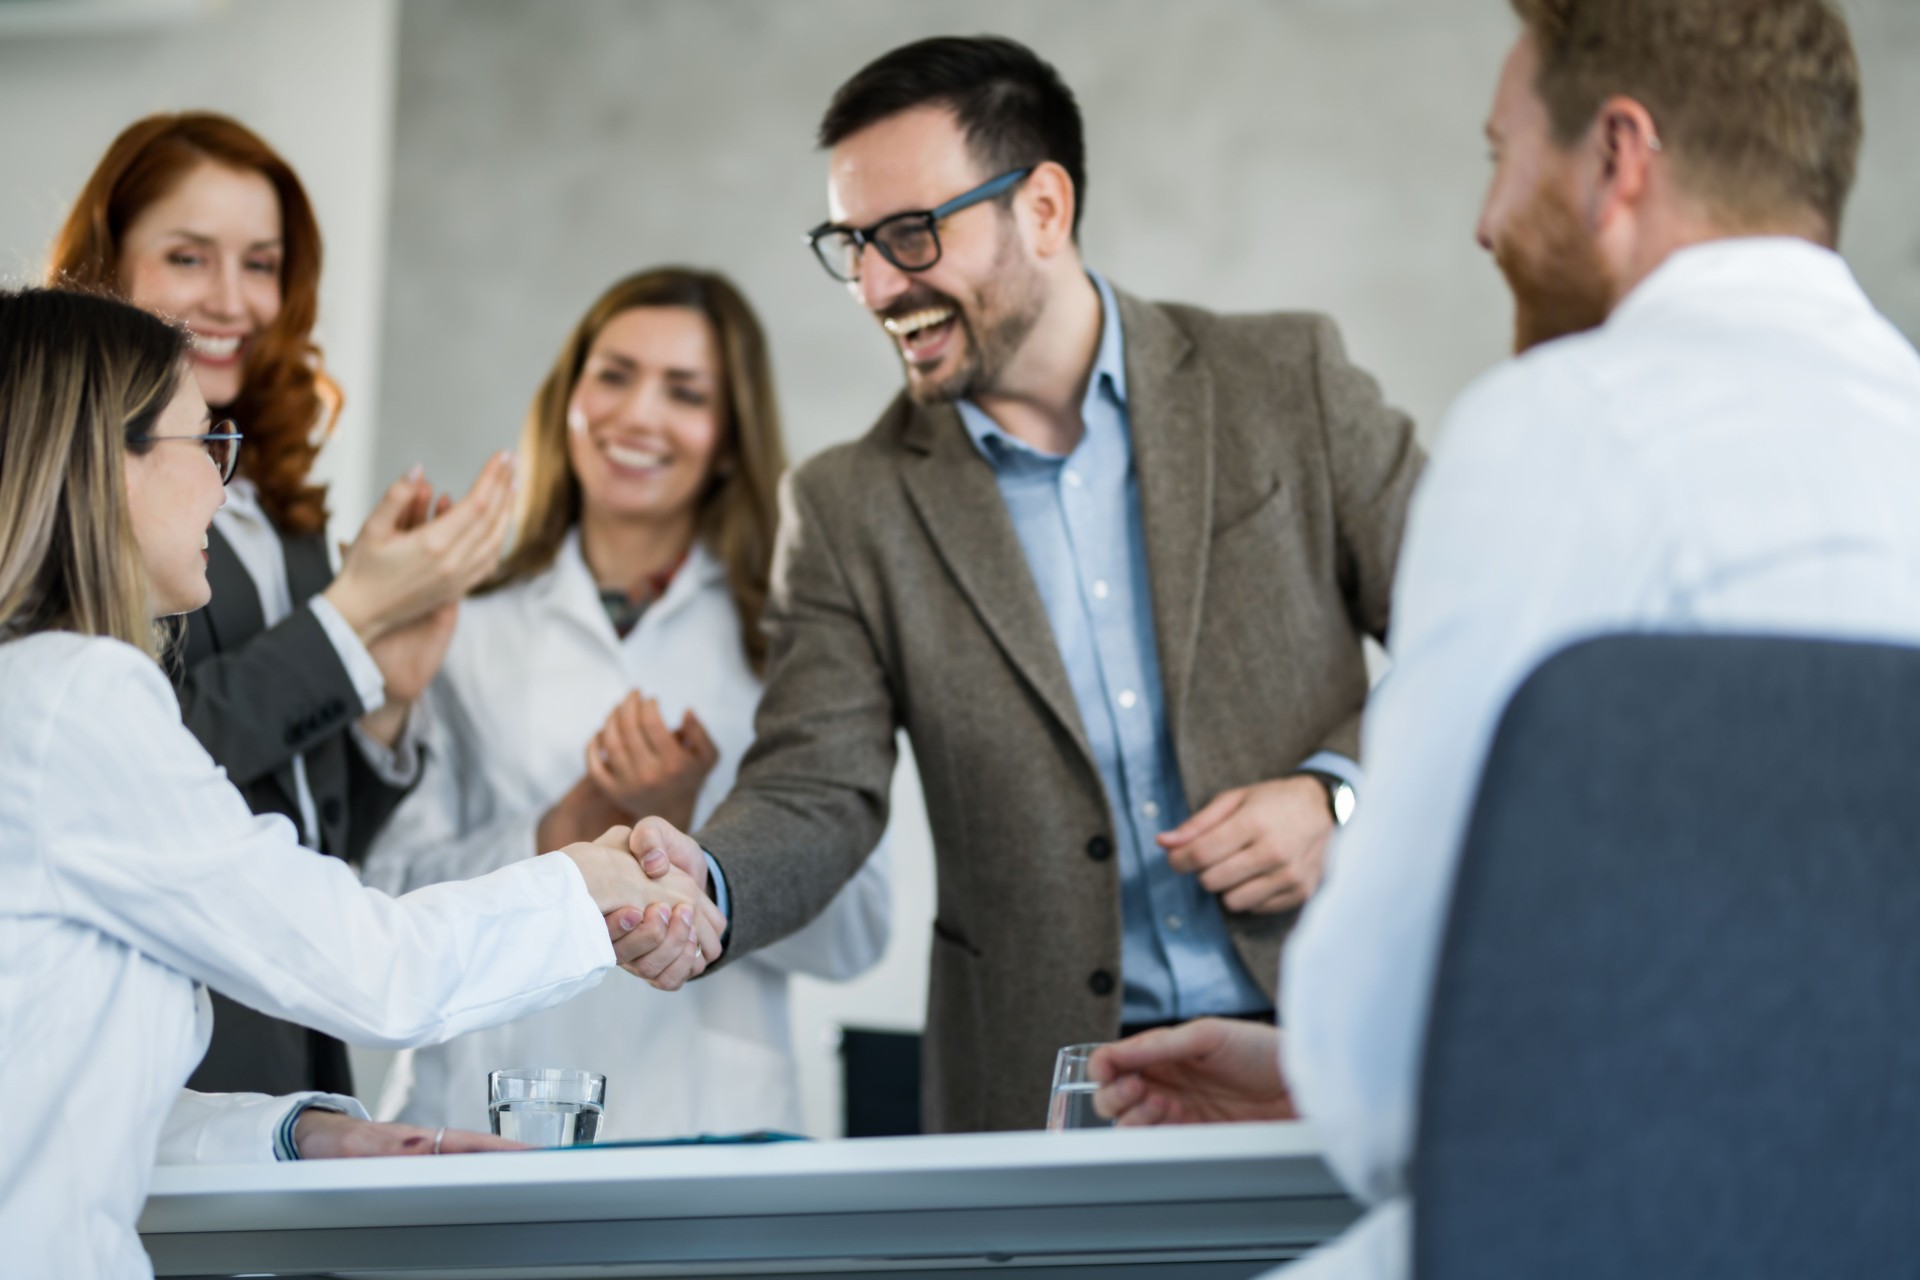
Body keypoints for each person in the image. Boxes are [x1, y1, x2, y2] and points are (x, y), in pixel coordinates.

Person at [1087, 1, 1920, 1275]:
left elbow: (1378, 1075)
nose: (1485, 220)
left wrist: (1339, 1072)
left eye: (1501, 153)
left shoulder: (1561, 428)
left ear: (1617, 157)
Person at [624, 35, 1425, 1133]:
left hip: (1343, 1044)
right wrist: (707, 883)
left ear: (1043, 208)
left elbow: (1471, 631)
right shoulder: (849, 505)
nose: (873, 285)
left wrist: (1343, 792)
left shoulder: (1290, 380)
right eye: (850, 244)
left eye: (909, 235)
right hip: (1051, 1098)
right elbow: (818, 786)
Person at [0, 286, 720, 1279]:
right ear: (102, 462)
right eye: (205, 444)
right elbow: (372, 965)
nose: (225, 486)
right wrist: (592, 882)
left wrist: (300, 1135)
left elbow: (52, 1092)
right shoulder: (77, 698)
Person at [362, 268, 891, 1139]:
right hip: (485, 1109)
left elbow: (859, 930)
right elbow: (378, 903)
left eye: (685, 392)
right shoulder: (460, 624)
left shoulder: (794, 633)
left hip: (711, 1124)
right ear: (567, 398)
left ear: (728, 438)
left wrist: (703, 841)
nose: (639, 416)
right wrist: (561, 831)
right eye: (613, 375)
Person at [48, 111, 514, 1098]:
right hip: (173, 1038)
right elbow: (129, 759)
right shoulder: (65, 500)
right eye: (188, 255)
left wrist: (381, 696)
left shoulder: (279, 506)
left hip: (299, 1030)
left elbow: (306, 830)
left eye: (260, 263)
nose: (231, 299)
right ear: (103, 267)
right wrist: (344, 624)